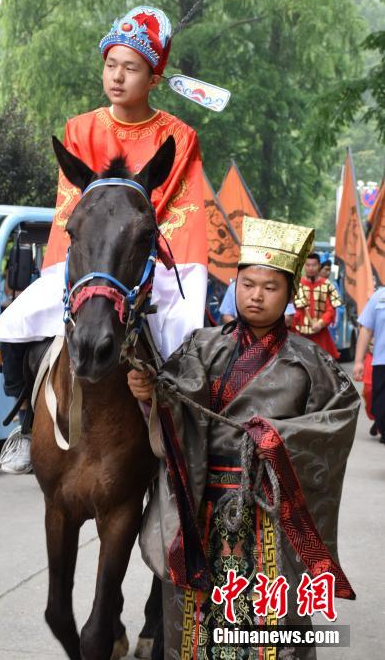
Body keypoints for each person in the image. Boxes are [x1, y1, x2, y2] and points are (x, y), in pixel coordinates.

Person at [128, 216, 359, 658]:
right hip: (203, 503)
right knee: (196, 626)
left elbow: (339, 421)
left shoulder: (310, 362)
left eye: (270, 287)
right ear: (235, 284)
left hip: (271, 507)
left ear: (289, 295)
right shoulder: (202, 345)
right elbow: (175, 412)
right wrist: (151, 397)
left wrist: (277, 437)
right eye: (248, 283)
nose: (256, 294)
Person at [0, 5, 208, 473]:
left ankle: (186, 437)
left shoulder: (180, 136)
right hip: (90, 258)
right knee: (13, 323)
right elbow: (74, 209)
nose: (117, 76)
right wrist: (78, 264)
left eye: (130, 68)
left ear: (153, 78)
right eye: (111, 64)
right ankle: (27, 426)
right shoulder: (79, 129)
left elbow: (178, 207)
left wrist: (143, 253)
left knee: (191, 335)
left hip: (148, 258)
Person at [292, 251, 342, 358]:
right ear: (304, 266)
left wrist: (321, 323)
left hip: (321, 335)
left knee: (325, 367)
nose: (311, 268)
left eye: (314, 265)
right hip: (300, 334)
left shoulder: (328, 285)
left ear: (319, 266)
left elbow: (331, 310)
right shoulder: (297, 285)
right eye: (308, 265)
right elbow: (292, 309)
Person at [354, 286, 385, 443]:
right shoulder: (379, 297)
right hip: (381, 362)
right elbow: (366, 329)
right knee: (380, 406)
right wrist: (359, 361)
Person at [219, 277, 296, 326]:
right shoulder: (234, 286)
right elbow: (226, 315)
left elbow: (288, 318)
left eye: (269, 288)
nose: (256, 297)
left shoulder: (280, 286)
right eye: (247, 285)